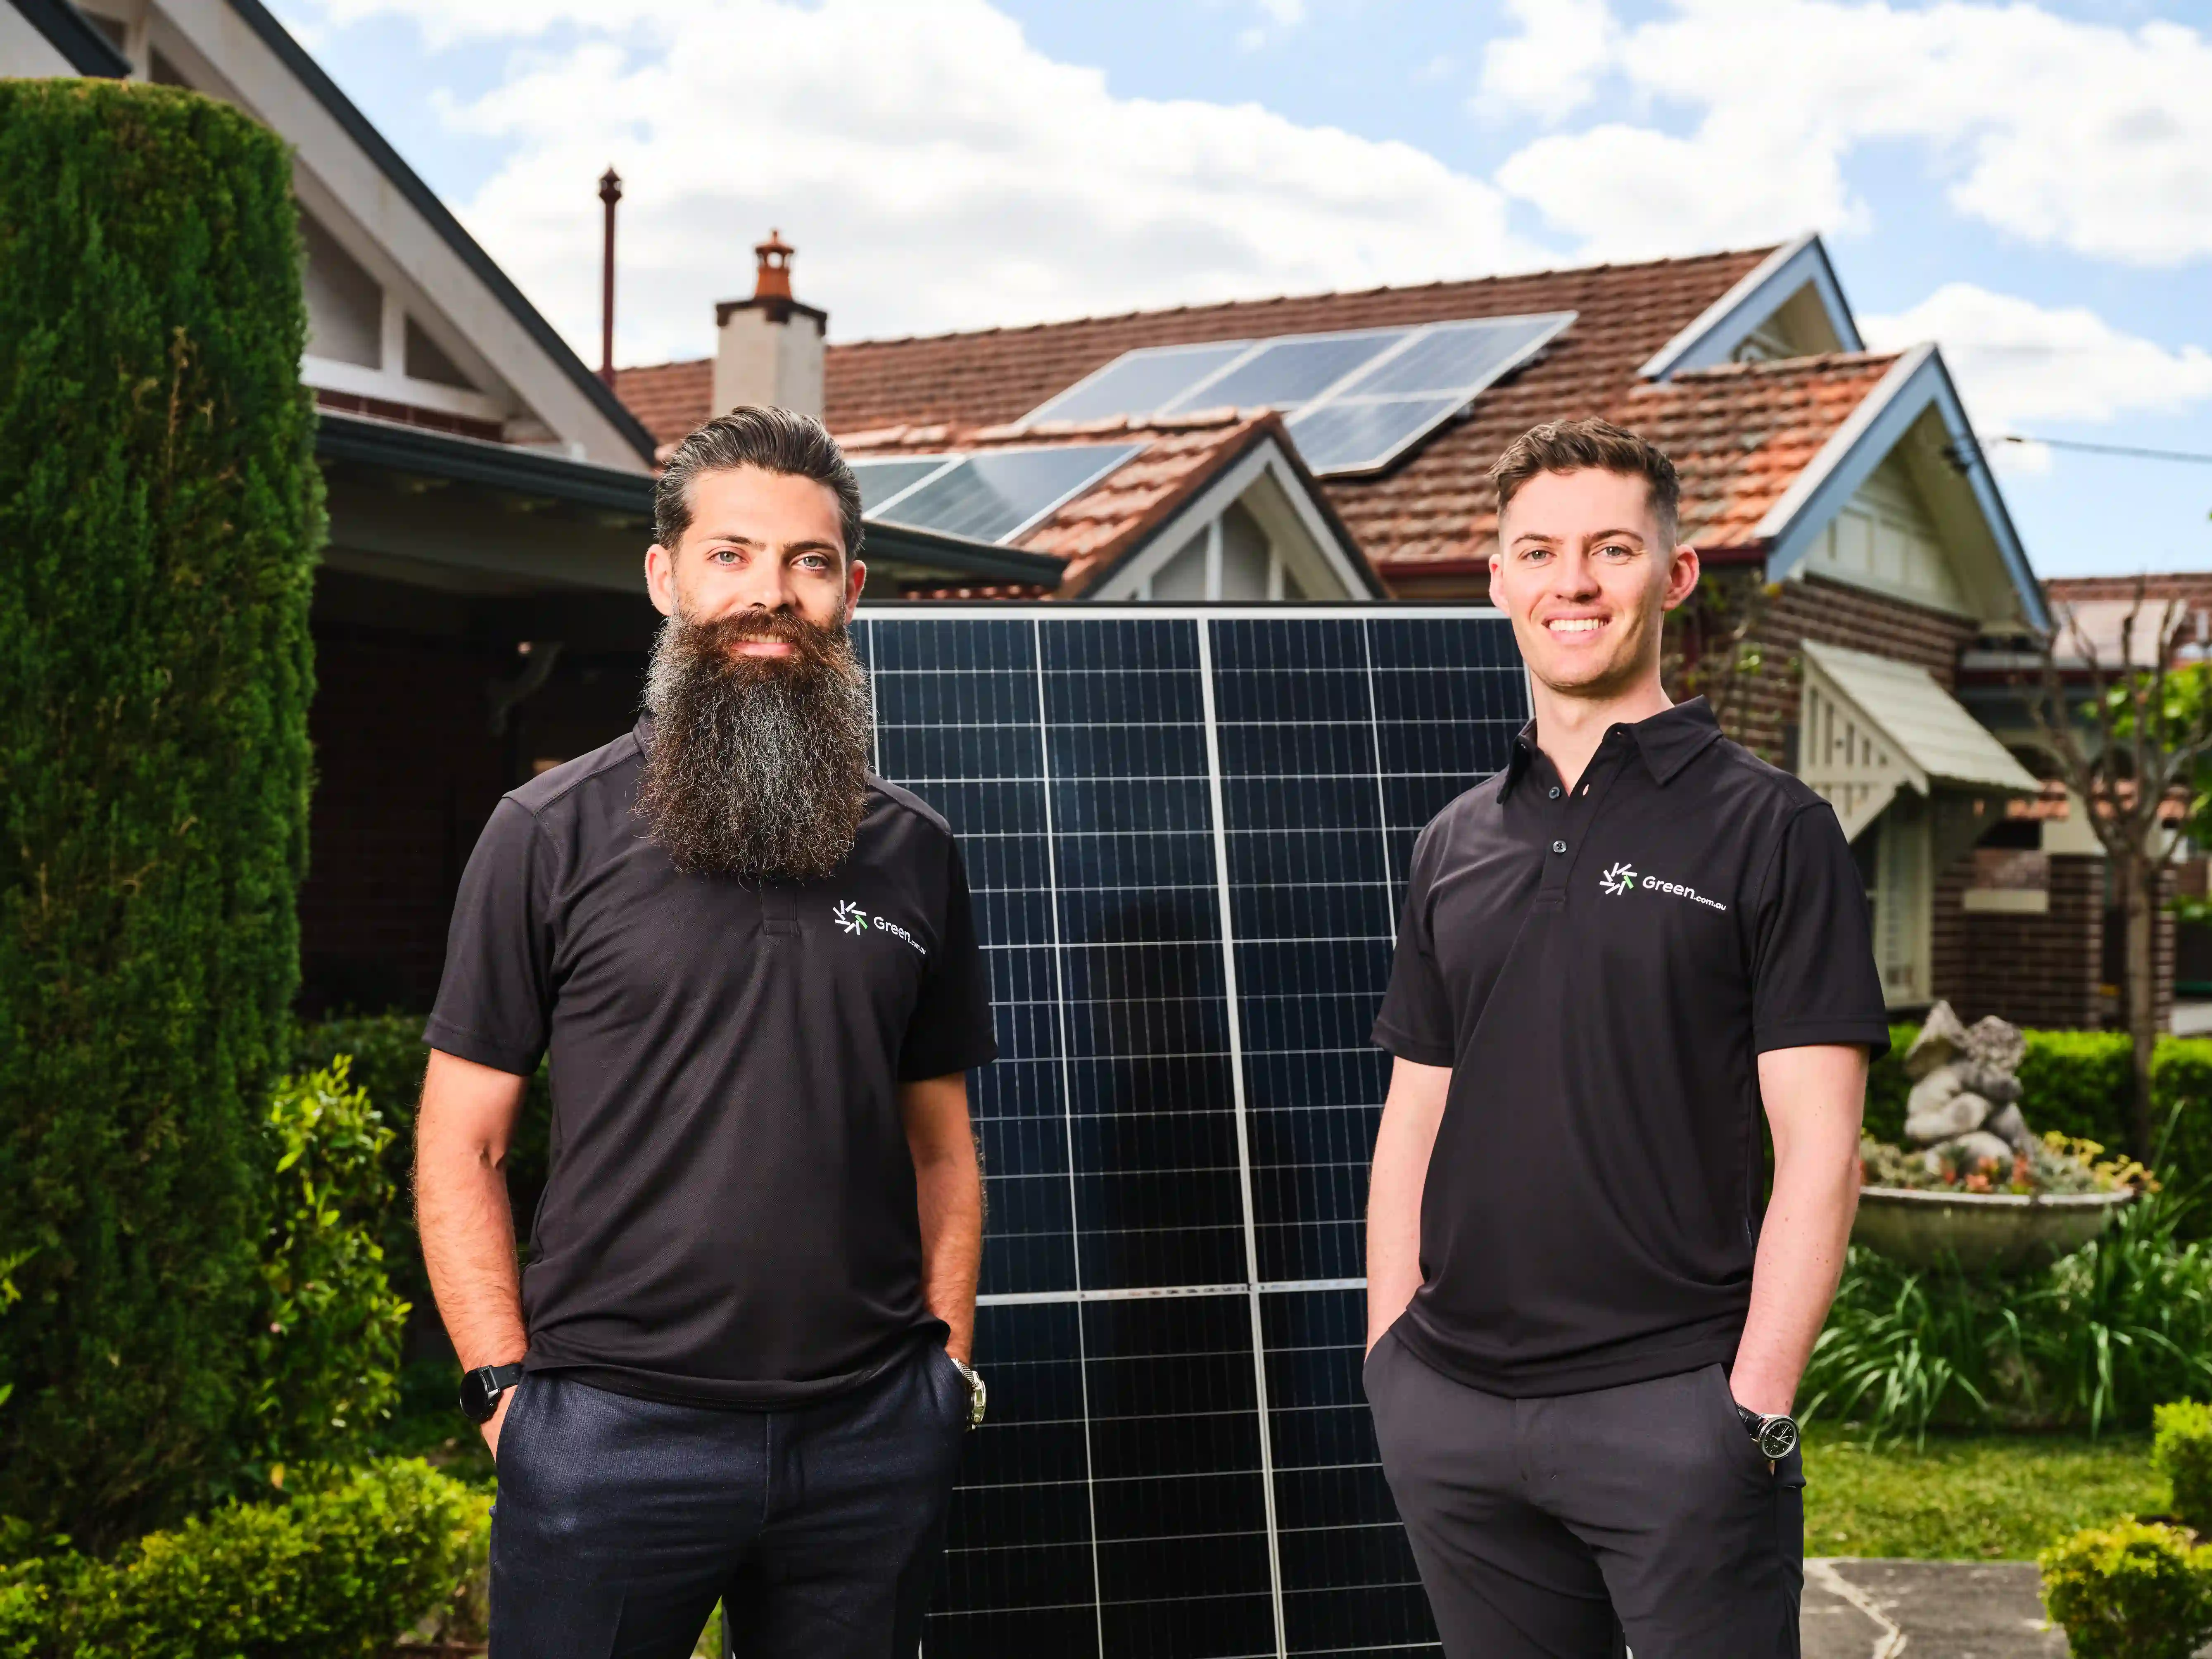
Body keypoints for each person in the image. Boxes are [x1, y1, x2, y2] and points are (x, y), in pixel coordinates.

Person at [414, 406, 996, 1659]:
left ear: (849, 590)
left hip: (868, 1444)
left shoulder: (916, 853)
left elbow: (941, 1150)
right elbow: (461, 1146)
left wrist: (941, 1379)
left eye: (808, 562)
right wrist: (505, 1400)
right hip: (607, 1444)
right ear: (665, 577)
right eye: (731, 556)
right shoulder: (545, 834)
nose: (769, 596)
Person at [1363, 417, 1887, 1658]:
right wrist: (1395, 1358)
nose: (1574, 583)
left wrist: (1751, 1411)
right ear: (1498, 580)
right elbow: (1415, 1115)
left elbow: (1825, 1150)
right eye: (1538, 552)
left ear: (1676, 572)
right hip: (1457, 1415)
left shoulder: (1772, 829)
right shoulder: (1454, 841)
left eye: (1610, 548)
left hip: (1674, 1417)